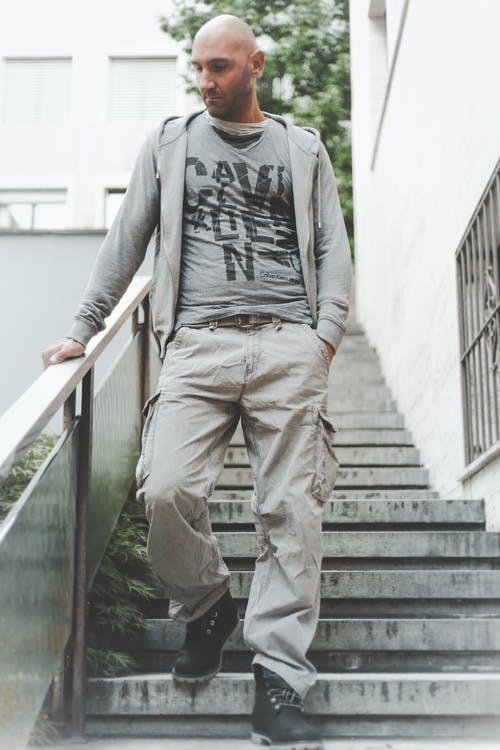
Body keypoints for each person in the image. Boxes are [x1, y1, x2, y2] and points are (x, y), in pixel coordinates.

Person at [42, 13, 352, 750]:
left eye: (219, 68)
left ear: (256, 65)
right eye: (198, 68)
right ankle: (208, 603)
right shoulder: (170, 143)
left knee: (291, 513)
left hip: (288, 344)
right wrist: (83, 328)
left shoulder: (303, 148)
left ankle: (278, 679)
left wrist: (325, 337)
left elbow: (331, 248)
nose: (204, 82)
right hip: (197, 345)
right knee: (165, 487)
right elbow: (127, 240)